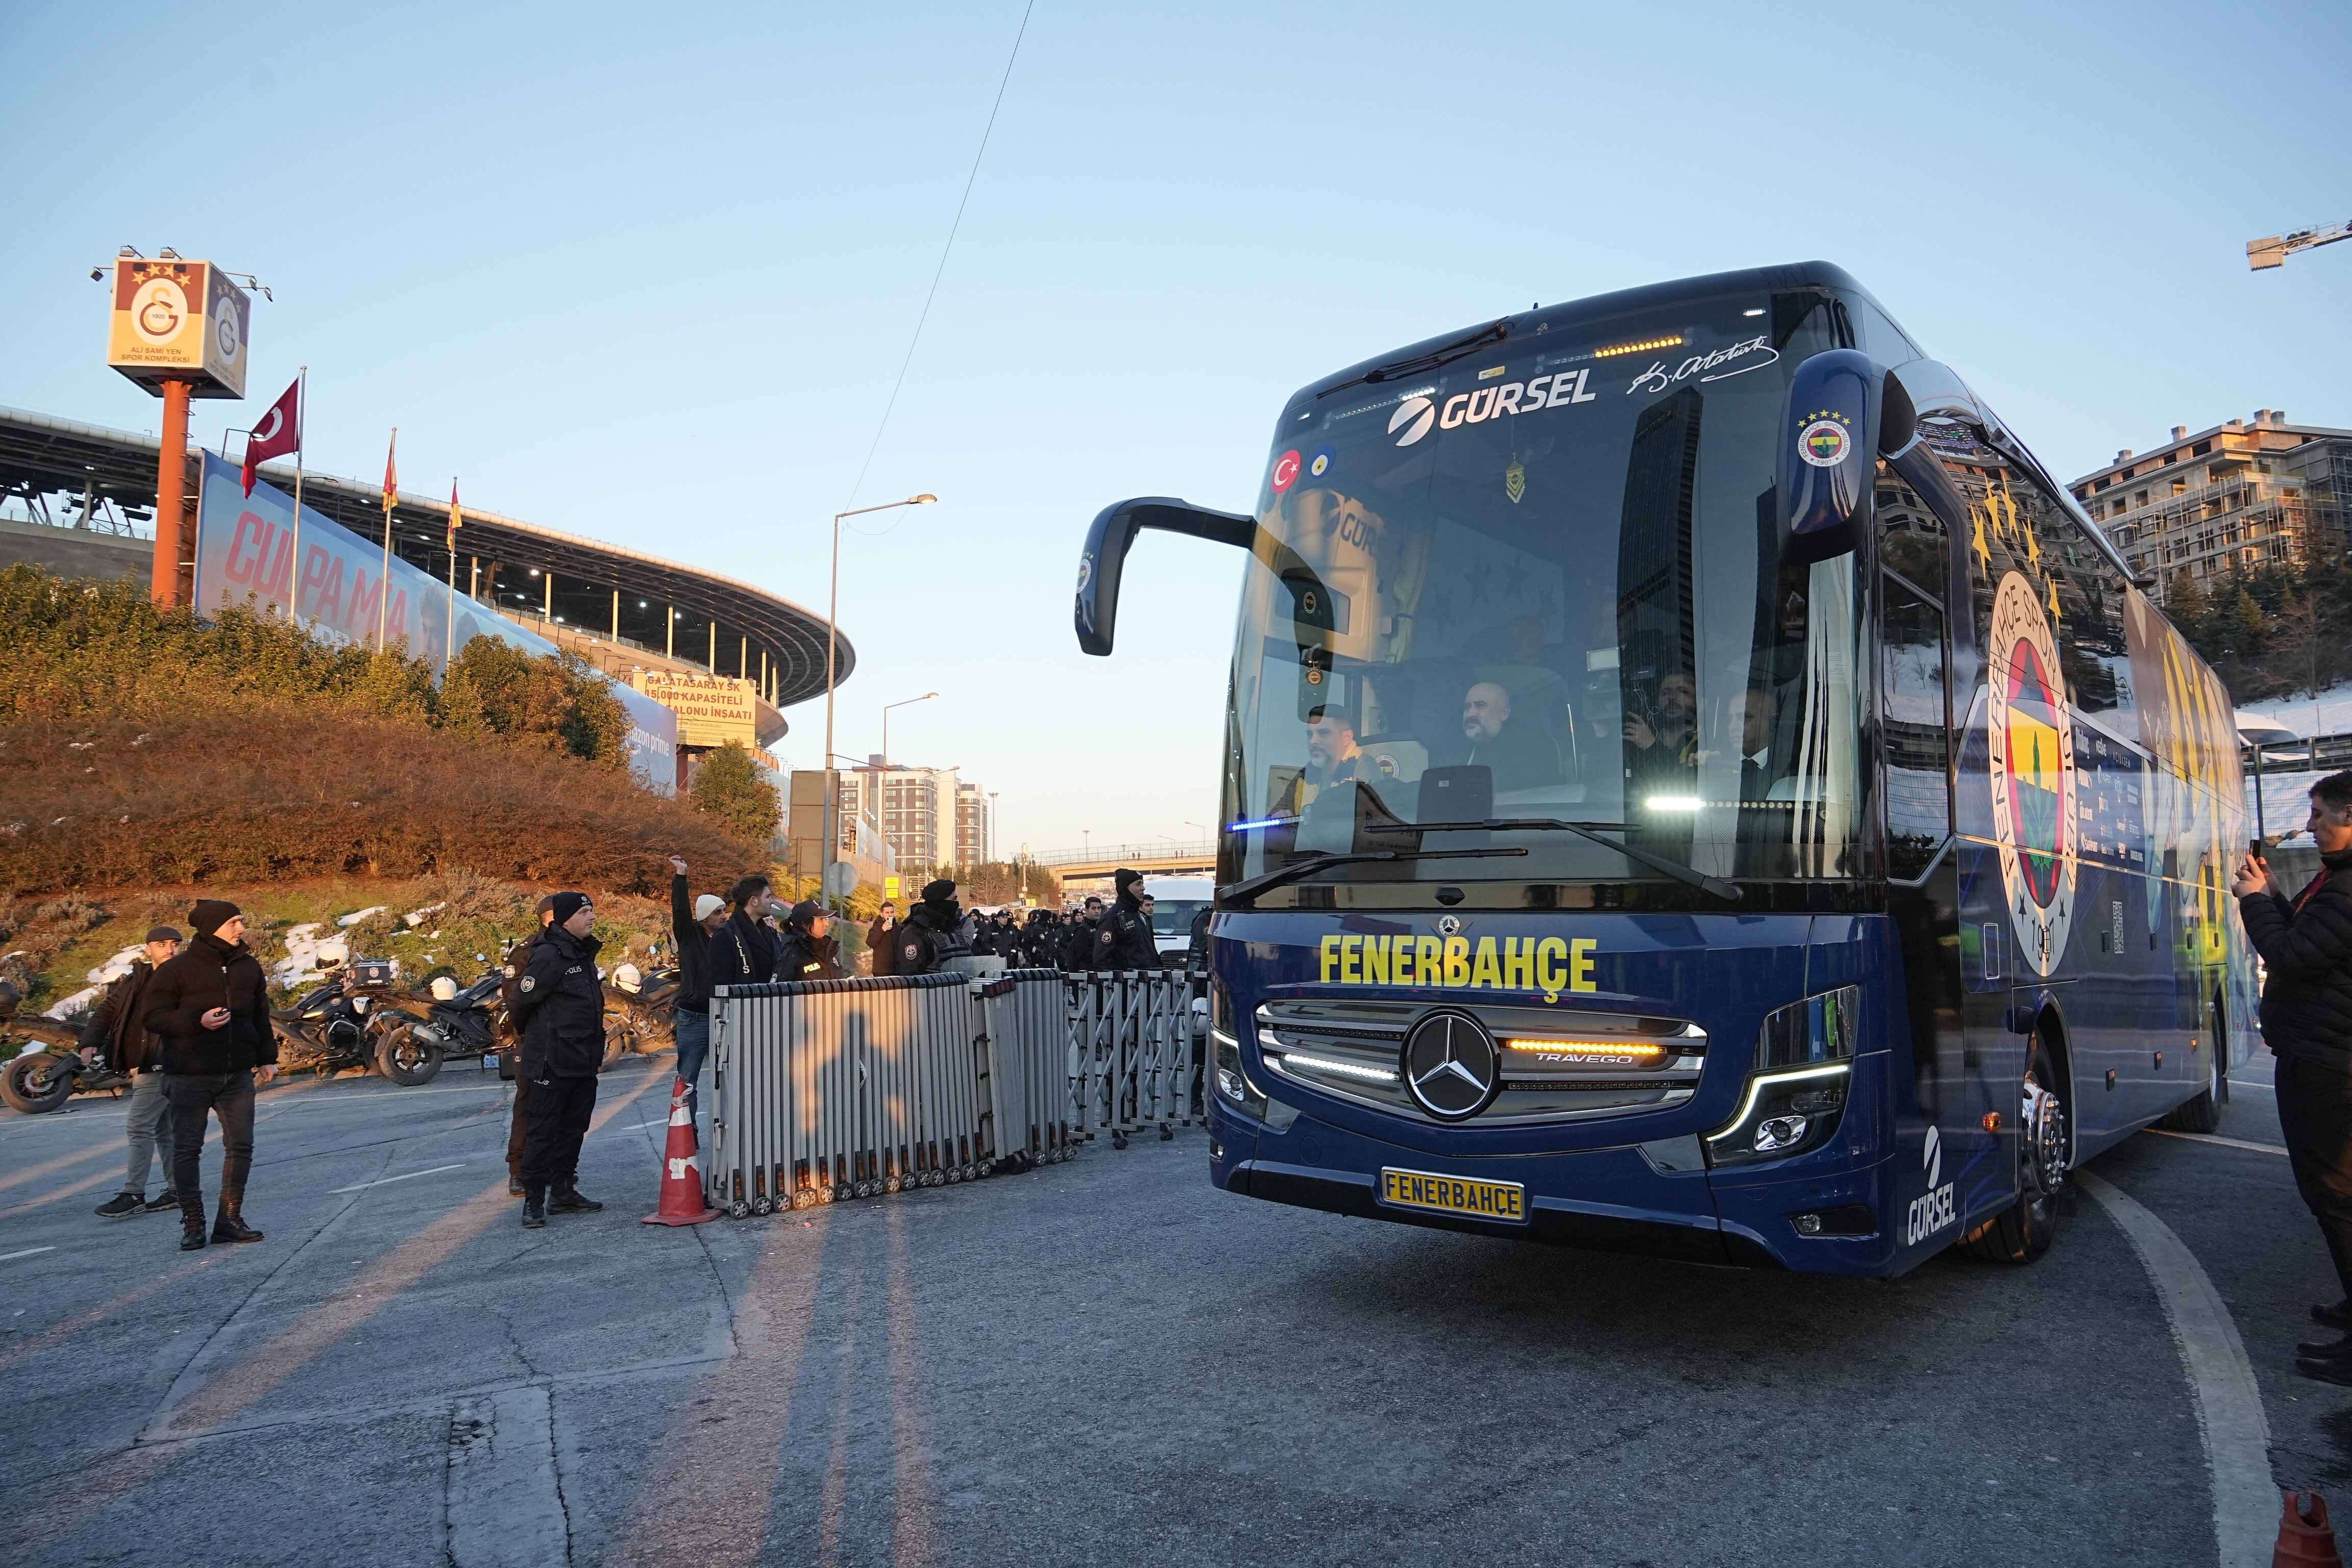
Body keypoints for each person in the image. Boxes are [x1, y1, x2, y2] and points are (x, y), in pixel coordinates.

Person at [2234, 774, 2352, 1384]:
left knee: (2336, 1197)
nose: (2309, 826)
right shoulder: (2336, 882)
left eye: (2318, 814)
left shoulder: (2345, 887)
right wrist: (2277, 898)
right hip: (2323, 1057)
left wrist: (2255, 902)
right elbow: (2309, 948)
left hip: (2329, 1066)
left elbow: (2294, 959)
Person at [143, 900, 277, 1251]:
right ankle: (193, 1224)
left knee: (241, 1147)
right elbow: (153, 1016)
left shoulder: (249, 967)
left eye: (241, 921)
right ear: (210, 927)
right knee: (187, 1150)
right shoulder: (176, 969)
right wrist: (196, 1021)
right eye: (234, 922)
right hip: (188, 1075)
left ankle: (229, 1221)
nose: (241, 928)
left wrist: (267, 1058)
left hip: (237, 1076)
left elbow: (261, 1016)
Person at [510, 892, 608, 1228]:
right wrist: (539, 1041)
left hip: (583, 1059)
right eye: (584, 912)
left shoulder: (582, 953)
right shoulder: (550, 956)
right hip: (552, 1062)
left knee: (574, 1129)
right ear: (565, 920)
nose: (592, 917)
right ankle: (534, 1202)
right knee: (543, 1132)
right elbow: (520, 1005)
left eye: (592, 911)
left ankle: (563, 1193)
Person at [87, 926, 183, 1220]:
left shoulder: (186, 978)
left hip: (163, 1064)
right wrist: (89, 1042)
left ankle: (133, 1193)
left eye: (175, 944)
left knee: (139, 1127)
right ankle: (177, 1190)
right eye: (162, 944)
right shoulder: (135, 981)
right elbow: (106, 1011)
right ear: (148, 950)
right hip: (142, 1064)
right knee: (164, 1130)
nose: (170, 949)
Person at [500, 896, 556, 1196]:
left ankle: (558, 1170)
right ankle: (519, 1171)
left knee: (562, 1107)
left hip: (566, 1043)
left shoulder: (575, 948)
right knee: (527, 1105)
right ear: (551, 917)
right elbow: (515, 998)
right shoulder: (526, 952)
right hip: (534, 1041)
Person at [667, 857, 727, 1119]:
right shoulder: (690, 934)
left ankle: (727, 1133)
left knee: (727, 1075)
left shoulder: (727, 938)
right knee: (687, 1080)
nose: (724, 916)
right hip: (694, 1017)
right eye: (718, 912)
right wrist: (681, 875)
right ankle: (687, 1131)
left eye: (725, 911)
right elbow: (680, 910)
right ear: (704, 916)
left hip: (724, 1015)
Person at [1459, 680, 1559, 792]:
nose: (1470, 713)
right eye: (1467, 707)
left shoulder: (1533, 751)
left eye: (1481, 705)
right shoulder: (1453, 750)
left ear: (1504, 713)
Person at [707, 875, 781, 992]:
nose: (772, 901)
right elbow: (721, 988)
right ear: (754, 901)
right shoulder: (725, 937)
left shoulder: (771, 933)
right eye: (768, 897)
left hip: (771, 1006)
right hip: (741, 1008)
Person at [894, 879, 973, 974]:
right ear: (940, 903)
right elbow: (912, 975)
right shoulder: (915, 932)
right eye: (954, 899)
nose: (957, 903)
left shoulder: (955, 929)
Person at [1092, 870, 1158, 971]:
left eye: (1143, 884)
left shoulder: (1141, 917)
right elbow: (1102, 959)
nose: (1143, 888)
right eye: (1138, 884)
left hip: (1149, 982)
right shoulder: (1111, 919)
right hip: (1129, 984)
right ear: (1126, 888)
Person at [777, 900, 848, 981]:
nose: (827, 924)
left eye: (825, 919)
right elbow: (779, 990)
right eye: (821, 920)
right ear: (805, 925)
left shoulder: (828, 949)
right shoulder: (792, 957)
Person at [1061, 897, 1105, 970]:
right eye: (1094, 909)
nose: (1097, 911)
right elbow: (1082, 955)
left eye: (1099, 908)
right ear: (1086, 910)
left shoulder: (1101, 926)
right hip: (1087, 971)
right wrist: (1101, 953)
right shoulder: (1083, 929)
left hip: (1100, 969)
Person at [868, 900, 901, 977]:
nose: (890, 915)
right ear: (882, 914)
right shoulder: (877, 927)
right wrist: (882, 930)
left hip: (897, 970)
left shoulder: (897, 927)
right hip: (882, 971)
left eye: (892, 912)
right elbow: (871, 943)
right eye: (887, 913)